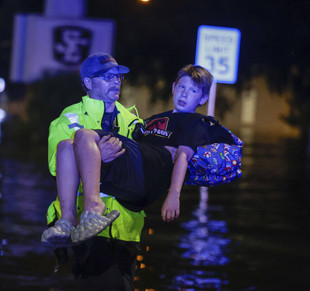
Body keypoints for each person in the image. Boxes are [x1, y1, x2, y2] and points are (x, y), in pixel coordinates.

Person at [44, 64, 228, 245]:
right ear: (173, 87)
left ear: (203, 98)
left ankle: (93, 206)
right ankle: (67, 221)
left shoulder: (196, 123)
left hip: (144, 176)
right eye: (181, 87)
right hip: (131, 170)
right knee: (66, 145)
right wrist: (99, 155)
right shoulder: (153, 120)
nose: (185, 93)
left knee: (83, 135)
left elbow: (181, 157)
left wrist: (173, 195)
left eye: (193, 91)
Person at [44, 52, 145, 291]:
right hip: (85, 226)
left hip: (125, 226)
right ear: (88, 83)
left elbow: (142, 169)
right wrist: (99, 155)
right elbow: (57, 165)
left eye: (118, 76)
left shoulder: (133, 121)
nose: (116, 82)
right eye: (107, 77)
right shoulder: (70, 118)